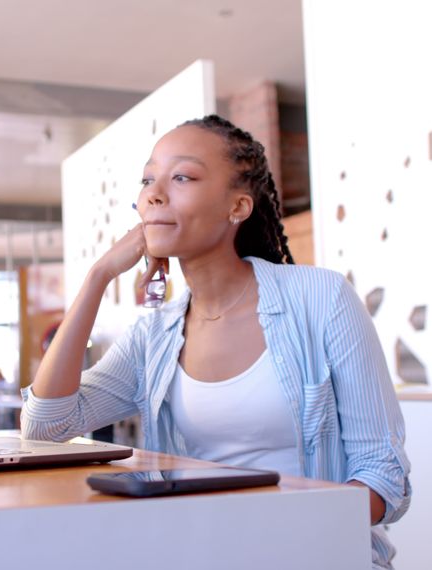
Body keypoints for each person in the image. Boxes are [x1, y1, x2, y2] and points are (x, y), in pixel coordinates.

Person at [21, 114, 411, 569]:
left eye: (182, 176)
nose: (154, 193)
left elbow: (385, 478)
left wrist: (273, 529)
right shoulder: (156, 334)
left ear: (238, 207)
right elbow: (45, 426)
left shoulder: (322, 299)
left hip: (314, 553)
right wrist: (97, 278)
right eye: (148, 179)